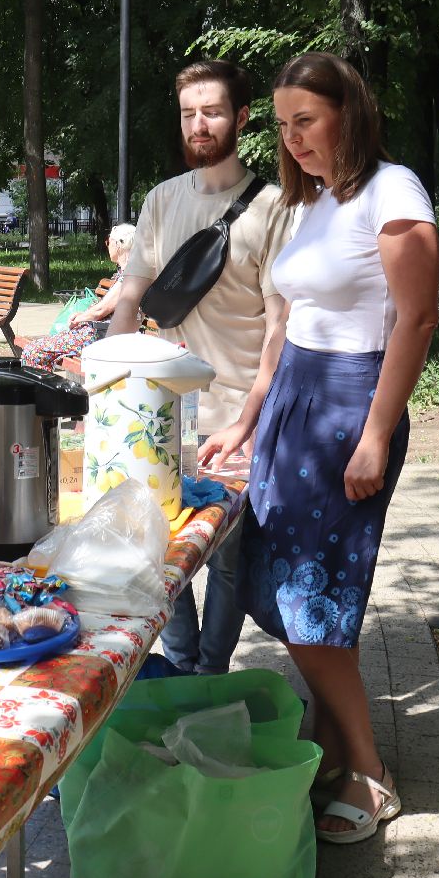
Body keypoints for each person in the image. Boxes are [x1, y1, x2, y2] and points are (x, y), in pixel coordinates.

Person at [202, 52, 438, 843]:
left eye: (306, 119)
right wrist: (247, 415)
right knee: (282, 584)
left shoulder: (391, 190)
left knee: (314, 597)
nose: (293, 138)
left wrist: (375, 434)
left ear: (349, 112)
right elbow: (284, 322)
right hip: (295, 401)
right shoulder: (315, 202)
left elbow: (418, 319)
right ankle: (332, 734)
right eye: (282, 125)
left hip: (348, 406)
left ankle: (370, 772)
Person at [110, 59, 298, 679]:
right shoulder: (163, 200)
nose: (198, 124)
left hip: (236, 417)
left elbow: (280, 325)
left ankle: (208, 675)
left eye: (212, 111)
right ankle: (182, 661)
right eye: (189, 113)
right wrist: (108, 396)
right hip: (162, 418)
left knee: (227, 559)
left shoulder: (274, 207)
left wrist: (252, 418)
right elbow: (129, 301)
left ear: (242, 118)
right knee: (163, 550)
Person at [21, 224, 138, 372]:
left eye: (108, 242)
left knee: (34, 351)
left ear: (118, 245)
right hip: (98, 332)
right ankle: (46, 392)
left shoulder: (128, 277)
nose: (107, 246)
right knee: (34, 349)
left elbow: (101, 310)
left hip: (101, 337)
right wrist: (82, 316)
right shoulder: (126, 273)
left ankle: (45, 394)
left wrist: (79, 318)